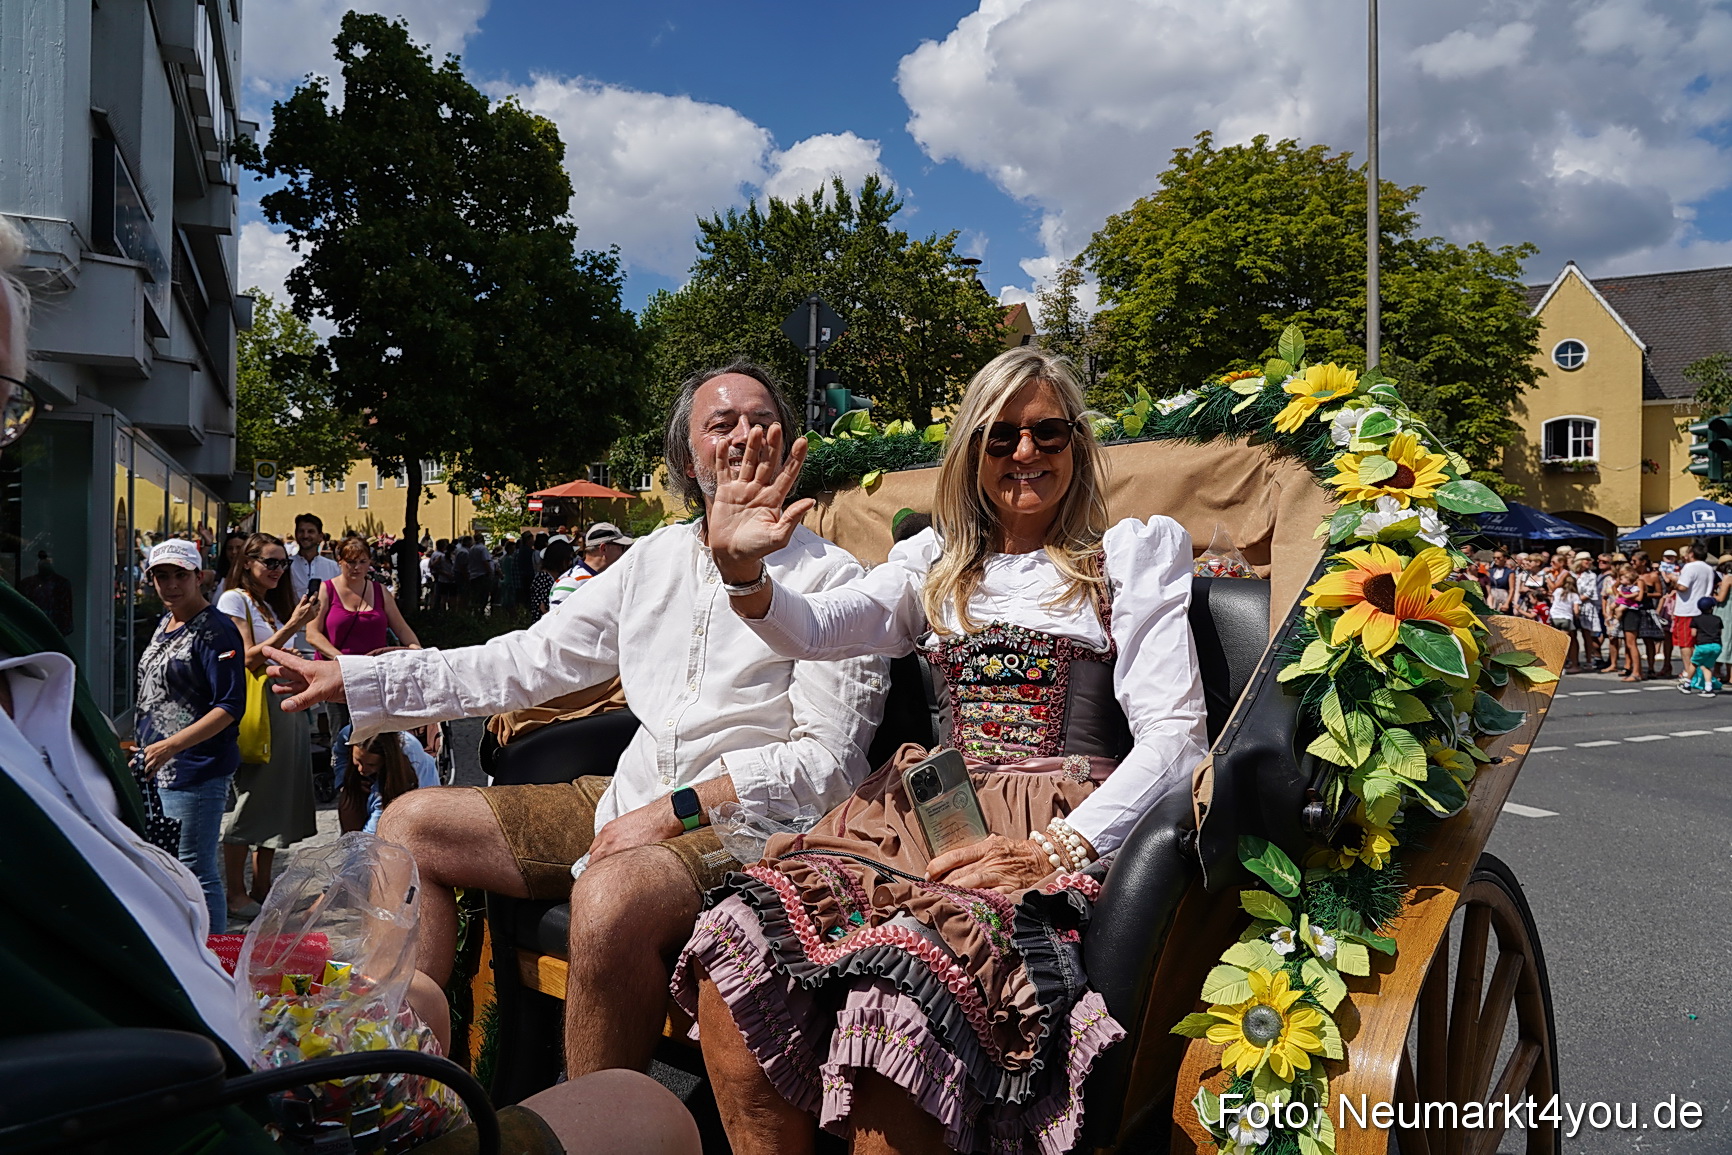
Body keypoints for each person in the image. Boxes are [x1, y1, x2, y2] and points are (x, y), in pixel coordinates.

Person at [262, 361, 890, 1085]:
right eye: (722, 423)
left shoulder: (835, 579)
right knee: (411, 823)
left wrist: (674, 810)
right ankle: (408, 1084)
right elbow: (527, 661)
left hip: (749, 826)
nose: (745, 435)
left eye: (762, 420)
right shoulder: (653, 558)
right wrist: (358, 677)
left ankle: (596, 1124)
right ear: (688, 462)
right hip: (630, 795)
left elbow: (828, 765)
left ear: (787, 446)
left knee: (610, 893)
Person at [682, 346, 1209, 1154]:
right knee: (735, 951)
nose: (1025, 452)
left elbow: (1176, 739)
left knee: (902, 998)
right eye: (1001, 436)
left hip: (1056, 826)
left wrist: (1056, 848)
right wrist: (746, 574)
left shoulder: (1128, 557)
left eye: (1047, 432)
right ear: (972, 451)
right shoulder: (932, 562)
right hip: (924, 817)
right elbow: (818, 627)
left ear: (1077, 444)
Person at [134, 538, 247, 930]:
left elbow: (229, 706)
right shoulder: (166, 621)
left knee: (195, 870)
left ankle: (212, 954)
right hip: (158, 767)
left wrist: (170, 745)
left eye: (180, 575)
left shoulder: (217, 631)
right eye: (161, 576)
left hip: (197, 767)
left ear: (199, 577)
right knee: (168, 868)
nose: (171, 585)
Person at [216, 533, 321, 920]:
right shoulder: (234, 599)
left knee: (276, 801)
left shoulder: (267, 604)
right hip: (258, 710)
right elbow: (245, 658)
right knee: (253, 799)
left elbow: (268, 652)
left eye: (283, 563)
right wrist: (292, 626)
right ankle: (235, 893)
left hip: (282, 706)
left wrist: (287, 647)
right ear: (247, 562)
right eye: (270, 562)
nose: (278, 570)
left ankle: (262, 888)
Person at [338, 727, 440, 833]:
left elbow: (378, 820)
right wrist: (344, 780)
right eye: (358, 760)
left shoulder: (409, 756)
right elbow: (339, 752)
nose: (361, 769)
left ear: (385, 760)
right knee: (349, 802)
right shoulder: (348, 733)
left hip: (416, 795)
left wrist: (364, 841)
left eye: (371, 764)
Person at [548, 522, 635, 612]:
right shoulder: (571, 582)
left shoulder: (604, 577)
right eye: (622, 547)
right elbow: (558, 619)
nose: (624, 553)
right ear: (603, 548)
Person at [289, 513, 341, 648]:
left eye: (310, 531)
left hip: (324, 635)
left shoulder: (333, 567)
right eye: (301, 531)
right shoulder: (285, 566)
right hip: (291, 634)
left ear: (320, 536)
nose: (305, 535)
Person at [1672, 544, 1717, 691]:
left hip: (1687, 609)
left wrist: (1673, 581)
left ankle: (1688, 672)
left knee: (1685, 643)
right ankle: (1701, 673)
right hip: (1703, 608)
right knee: (1699, 643)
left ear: (1691, 554)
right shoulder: (1709, 568)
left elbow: (1683, 587)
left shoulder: (1690, 567)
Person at [1633, 551, 1672, 678]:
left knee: (1648, 640)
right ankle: (1633, 668)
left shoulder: (1653, 576)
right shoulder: (1632, 575)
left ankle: (1651, 668)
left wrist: (1645, 594)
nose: (1632, 563)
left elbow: (1659, 593)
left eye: (1635, 561)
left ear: (1643, 562)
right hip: (1632, 609)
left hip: (1646, 609)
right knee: (1631, 640)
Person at [1682, 596, 1723, 696]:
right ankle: (1708, 688)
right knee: (1706, 666)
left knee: (1694, 663)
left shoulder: (1696, 619)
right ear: (1712, 608)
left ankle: (1687, 685)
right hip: (1716, 646)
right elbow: (1720, 633)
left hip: (1703, 645)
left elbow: (1693, 633)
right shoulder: (1717, 619)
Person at [1612, 564, 1645, 681]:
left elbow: (1639, 597)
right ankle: (1634, 670)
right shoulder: (1623, 585)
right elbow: (1614, 587)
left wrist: (1625, 596)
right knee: (1628, 643)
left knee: (1631, 643)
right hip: (1626, 611)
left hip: (1632, 612)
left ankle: (1636, 672)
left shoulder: (1637, 582)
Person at [531, 537, 573, 617]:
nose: (570, 563)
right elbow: (542, 609)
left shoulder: (552, 577)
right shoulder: (543, 578)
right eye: (569, 559)